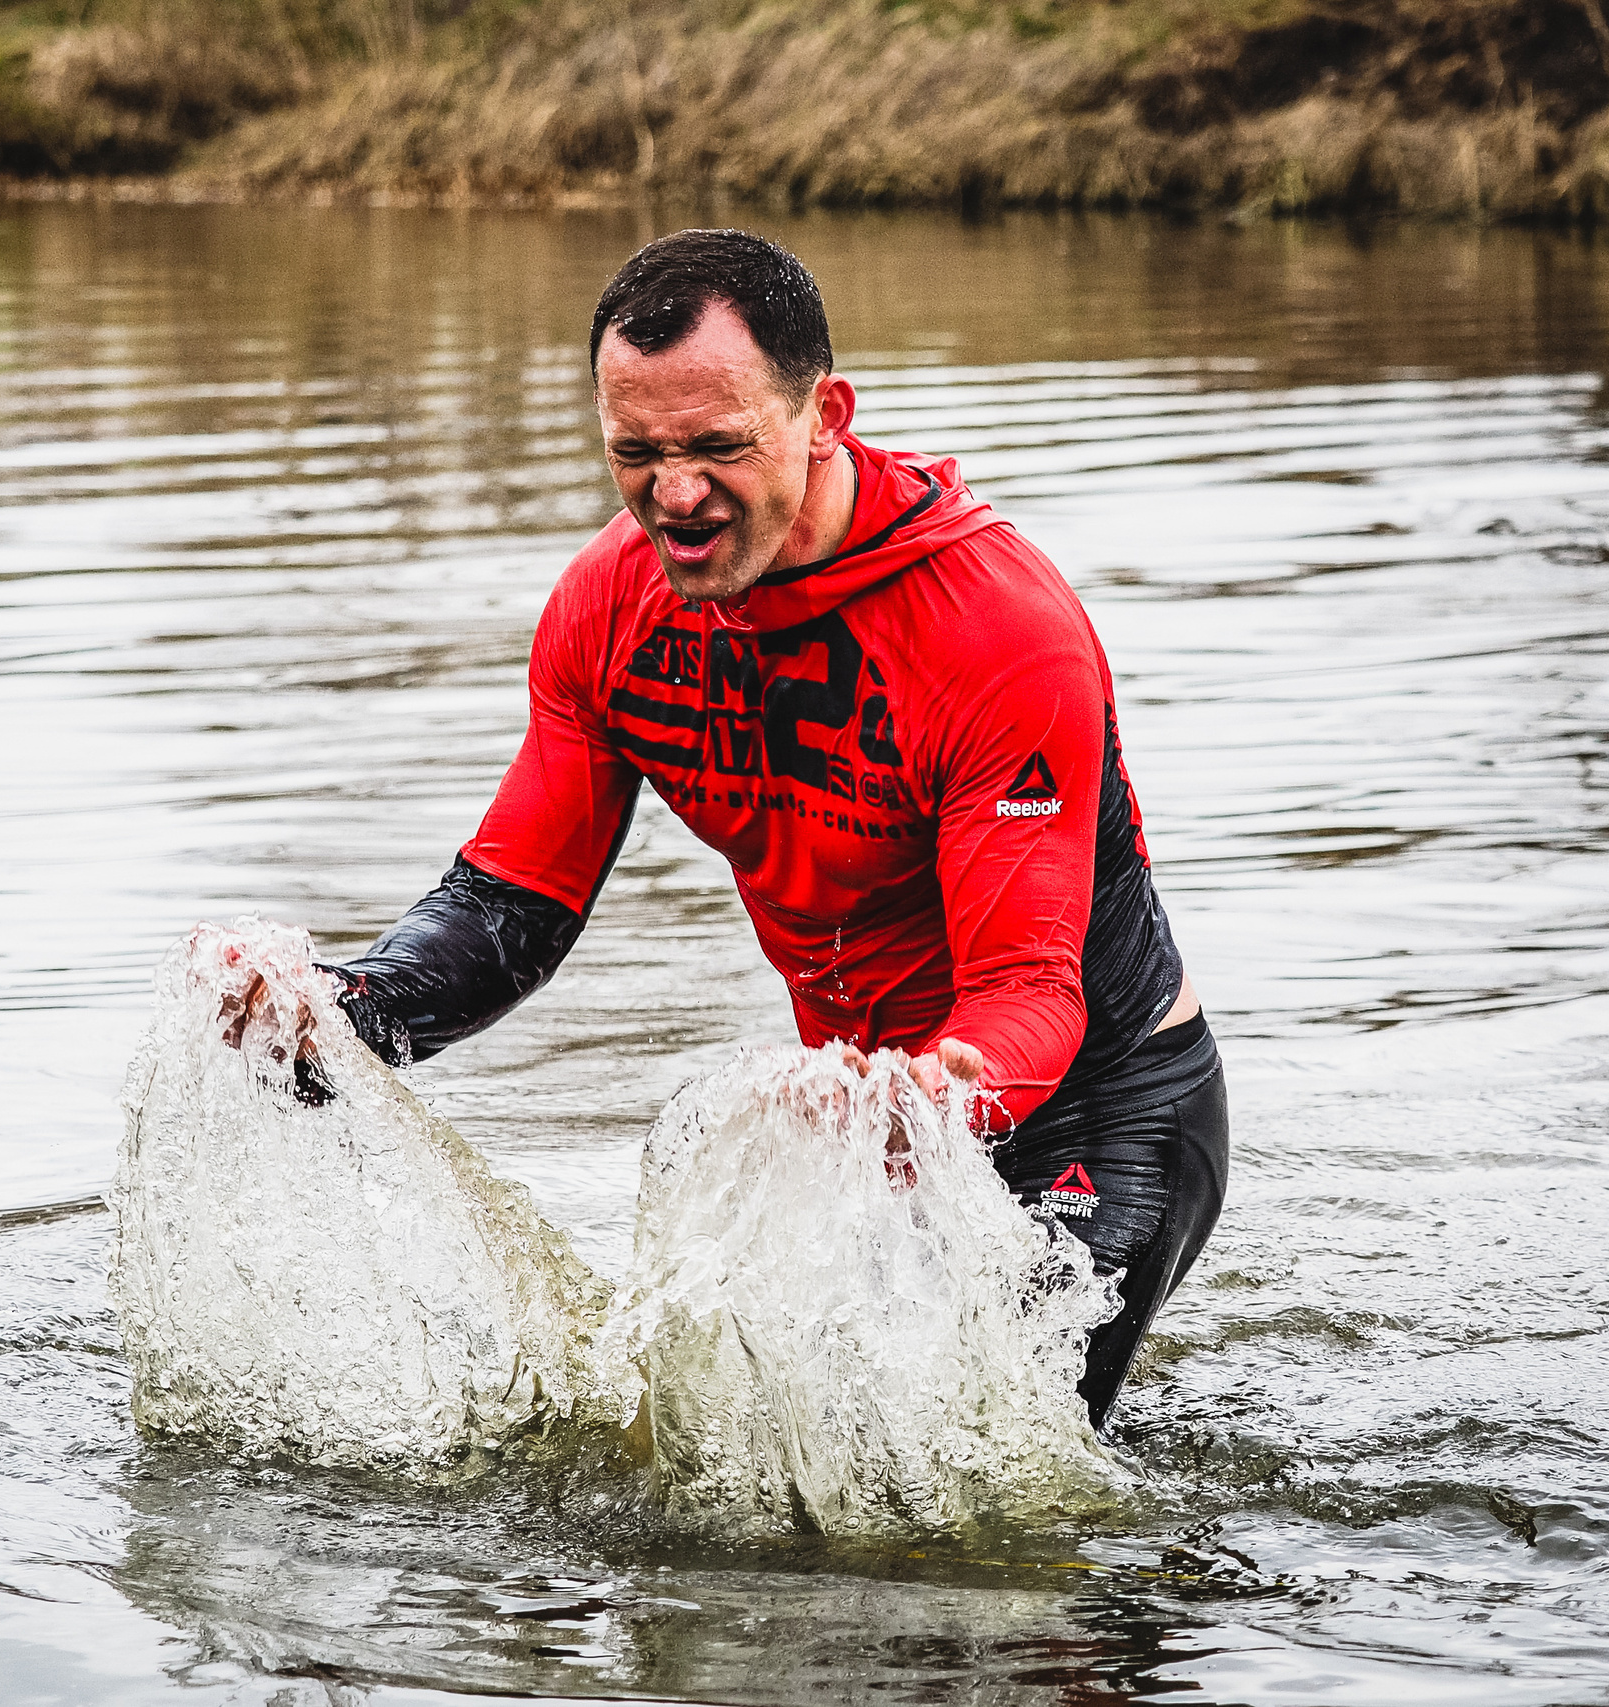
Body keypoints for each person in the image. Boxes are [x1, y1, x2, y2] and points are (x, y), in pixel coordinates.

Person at [242, 228, 1225, 1432]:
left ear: (826, 415)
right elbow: (512, 905)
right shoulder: (607, 607)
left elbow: (1032, 988)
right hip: (859, 1121)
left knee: (994, 1500)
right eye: (635, 453)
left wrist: (937, 1092)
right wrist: (346, 1012)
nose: (677, 496)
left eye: (716, 447)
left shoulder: (997, 633)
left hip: (1095, 1107)